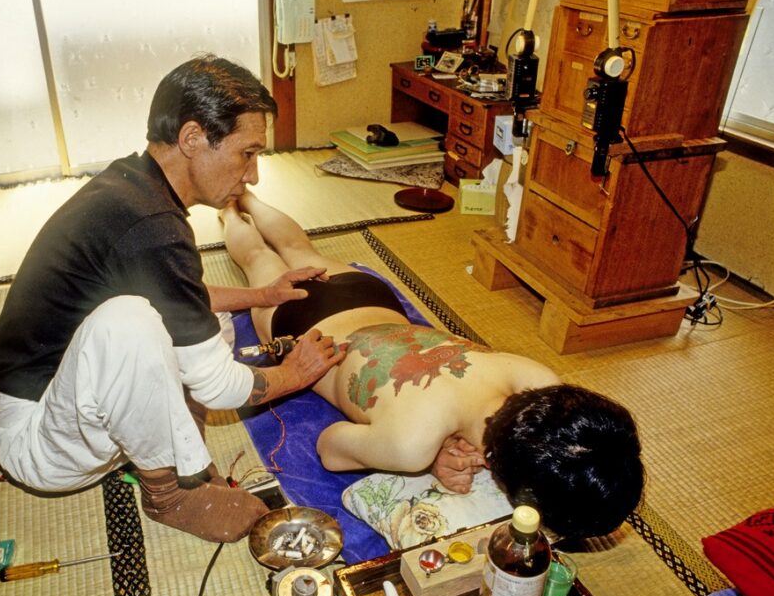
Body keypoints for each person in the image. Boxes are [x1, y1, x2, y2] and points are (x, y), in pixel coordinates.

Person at [0, 55, 345, 544]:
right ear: (193, 138)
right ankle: (169, 493)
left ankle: (174, 449)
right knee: (131, 325)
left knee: (206, 325)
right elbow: (219, 389)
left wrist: (264, 293)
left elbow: (178, 295)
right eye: (247, 153)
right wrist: (293, 373)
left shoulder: (134, 186)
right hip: (40, 443)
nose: (253, 175)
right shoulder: (150, 228)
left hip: (65, 391)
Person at [221, 193, 645, 539]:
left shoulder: (538, 379)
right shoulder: (411, 445)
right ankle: (227, 210)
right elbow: (329, 448)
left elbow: (458, 394)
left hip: (371, 297)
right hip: (306, 328)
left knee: (299, 249)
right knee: (257, 259)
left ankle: (243, 197)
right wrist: (426, 458)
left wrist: (443, 441)